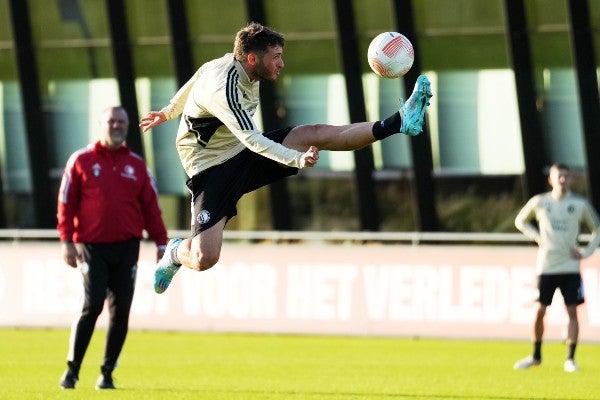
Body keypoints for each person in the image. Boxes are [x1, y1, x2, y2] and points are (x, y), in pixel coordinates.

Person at [139, 22, 432, 294]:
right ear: (253, 59)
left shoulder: (236, 66)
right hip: (211, 168)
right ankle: (175, 253)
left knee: (313, 132)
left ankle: (399, 122)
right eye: (276, 56)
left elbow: (199, 73)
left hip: (240, 149)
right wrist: (296, 159)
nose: (281, 63)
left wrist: (168, 110)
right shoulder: (225, 90)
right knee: (204, 257)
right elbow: (253, 139)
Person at [57, 106, 168, 389]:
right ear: (101, 124)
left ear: (127, 126)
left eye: (121, 122)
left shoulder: (138, 165)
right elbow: (66, 202)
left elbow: (151, 208)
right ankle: (72, 369)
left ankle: (107, 373)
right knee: (92, 304)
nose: (116, 126)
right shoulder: (81, 160)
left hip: (127, 247)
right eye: (111, 121)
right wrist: (67, 240)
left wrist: (161, 242)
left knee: (121, 312)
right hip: (91, 246)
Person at [513, 163, 600, 372]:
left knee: (572, 311)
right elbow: (520, 221)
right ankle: (535, 355)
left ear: (570, 179)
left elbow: (597, 229)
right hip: (547, 265)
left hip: (570, 266)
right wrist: (537, 237)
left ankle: (570, 358)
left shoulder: (579, 205)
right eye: (558, 176)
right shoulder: (540, 202)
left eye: (566, 176)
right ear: (550, 179)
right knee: (539, 311)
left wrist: (586, 252)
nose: (563, 179)